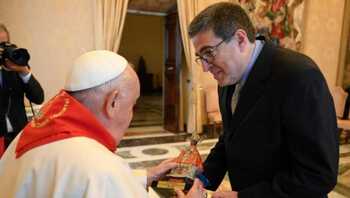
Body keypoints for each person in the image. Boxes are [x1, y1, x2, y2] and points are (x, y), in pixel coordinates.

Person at [188, 2, 338, 198]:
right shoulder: (227, 76)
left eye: (209, 52)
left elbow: (318, 176)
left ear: (240, 39)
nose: (205, 68)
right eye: (201, 57)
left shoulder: (299, 76)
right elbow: (229, 139)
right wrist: (202, 179)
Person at [0, 50, 186, 197]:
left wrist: (147, 176)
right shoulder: (100, 168)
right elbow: (102, 183)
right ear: (113, 102)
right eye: (132, 106)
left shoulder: (29, 135)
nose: (131, 117)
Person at [0, 24, 44, 156]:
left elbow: (38, 97)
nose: (2, 49)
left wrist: (24, 72)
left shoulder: (16, 66)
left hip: (18, 137)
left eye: (4, 44)